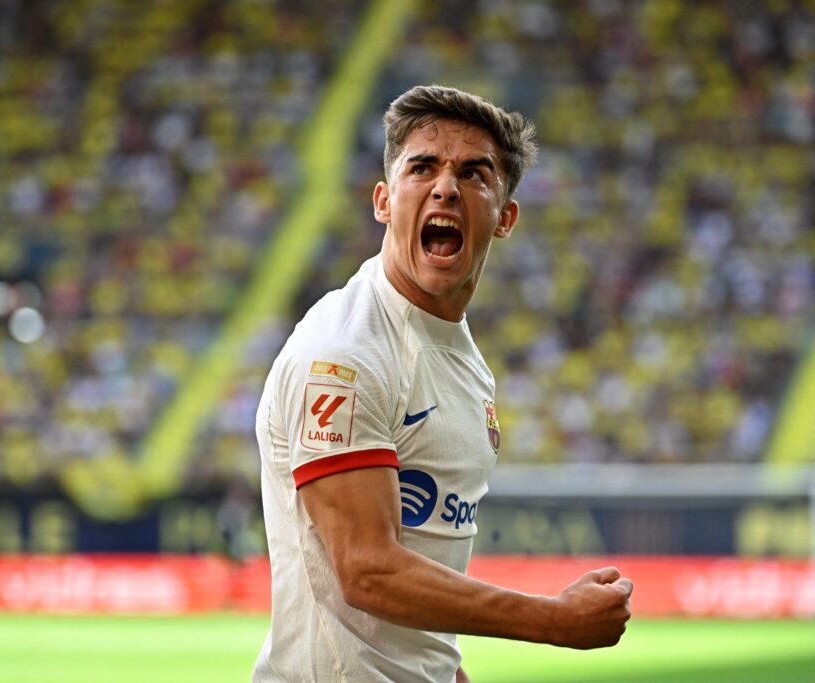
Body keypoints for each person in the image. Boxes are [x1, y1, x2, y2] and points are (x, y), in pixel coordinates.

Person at [252, 85, 633, 682]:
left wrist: (444, 671)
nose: (446, 186)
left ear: (505, 217)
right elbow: (367, 570)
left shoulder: (459, 355)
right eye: (422, 167)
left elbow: (421, 573)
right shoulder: (344, 354)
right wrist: (554, 621)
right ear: (383, 200)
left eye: (474, 173)